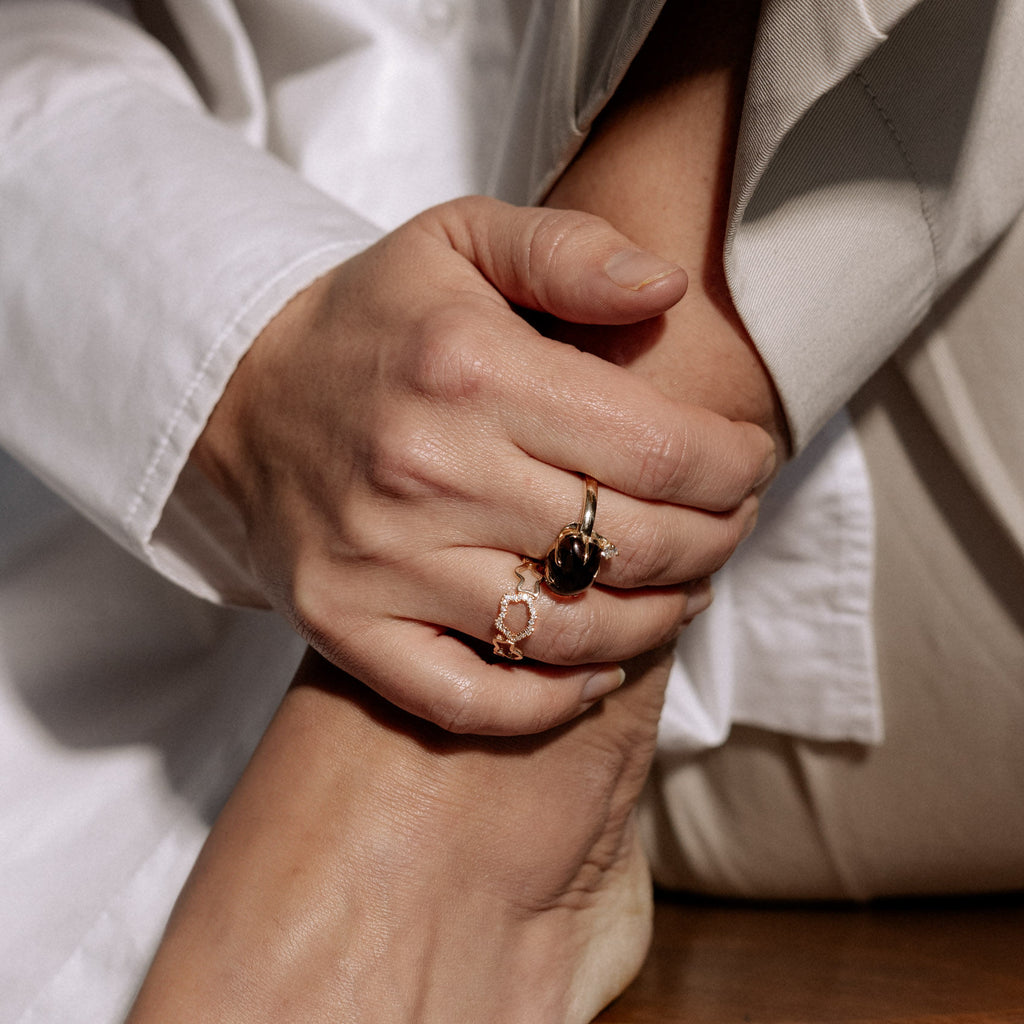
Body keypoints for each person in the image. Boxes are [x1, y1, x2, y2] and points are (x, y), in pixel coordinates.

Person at [3, 0, 1024, 1021]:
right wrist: (241, 342)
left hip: (910, 382)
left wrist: (620, 399)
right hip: (166, 416)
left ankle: (458, 777)